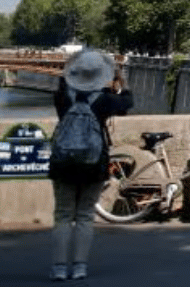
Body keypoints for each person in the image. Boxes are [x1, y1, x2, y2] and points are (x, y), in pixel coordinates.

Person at [48, 49, 133, 282]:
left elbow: (62, 83)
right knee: (85, 215)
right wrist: (121, 81)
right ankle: (79, 267)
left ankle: (58, 267)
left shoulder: (62, 98)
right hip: (94, 162)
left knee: (63, 215)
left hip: (63, 162)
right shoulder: (104, 100)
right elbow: (127, 102)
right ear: (100, 75)